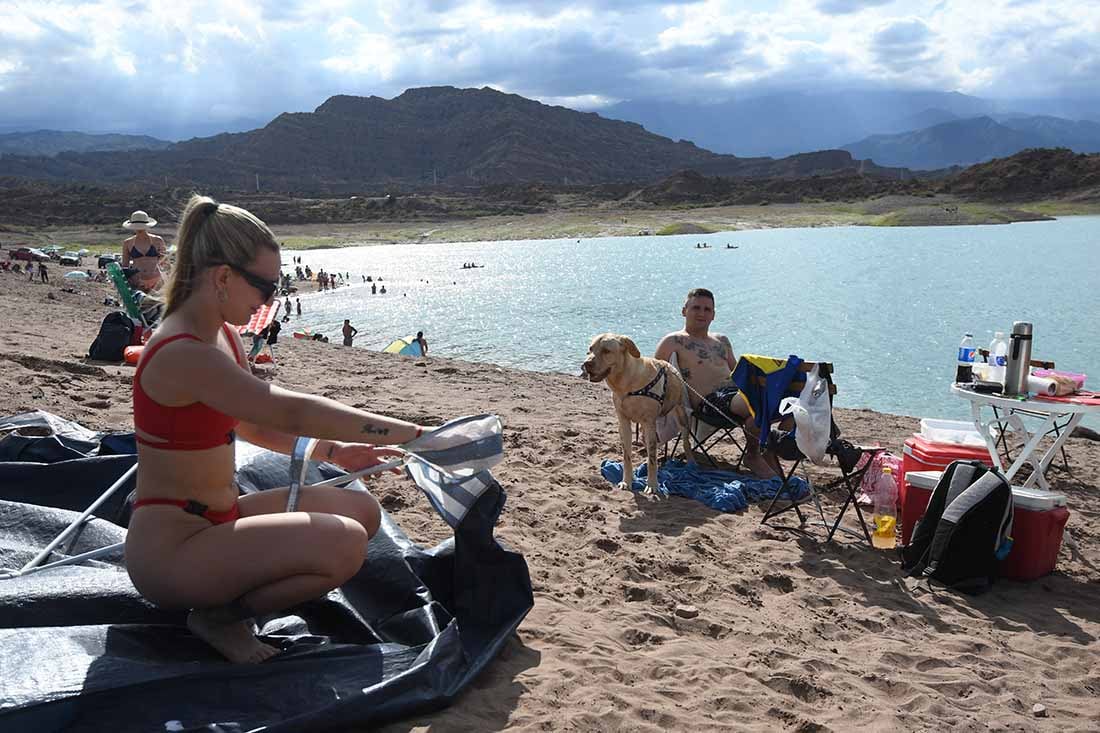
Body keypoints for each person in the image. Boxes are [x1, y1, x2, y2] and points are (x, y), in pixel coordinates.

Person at [125, 194, 431, 664]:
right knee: (345, 542)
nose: (274, 299)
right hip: (172, 551)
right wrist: (402, 432)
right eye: (267, 288)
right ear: (223, 277)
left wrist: (334, 452)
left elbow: (247, 422)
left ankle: (231, 595)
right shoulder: (183, 351)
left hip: (219, 519)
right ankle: (220, 619)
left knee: (362, 513)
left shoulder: (223, 335)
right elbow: (284, 410)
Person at [654, 288, 777, 478]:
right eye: (696, 308)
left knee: (788, 404)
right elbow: (655, 377)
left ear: (713, 315)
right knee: (758, 402)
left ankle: (768, 453)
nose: (701, 313)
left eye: (707, 309)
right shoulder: (673, 341)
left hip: (735, 395)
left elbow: (739, 375)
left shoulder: (722, 341)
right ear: (684, 310)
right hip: (710, 403)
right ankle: (753, 456)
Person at [121, 210, 168, 291]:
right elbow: (125, 266)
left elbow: (165, 262)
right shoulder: (127, 243)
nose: (139, 228)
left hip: (156, 280)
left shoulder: (157, 240)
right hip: (137, 281)